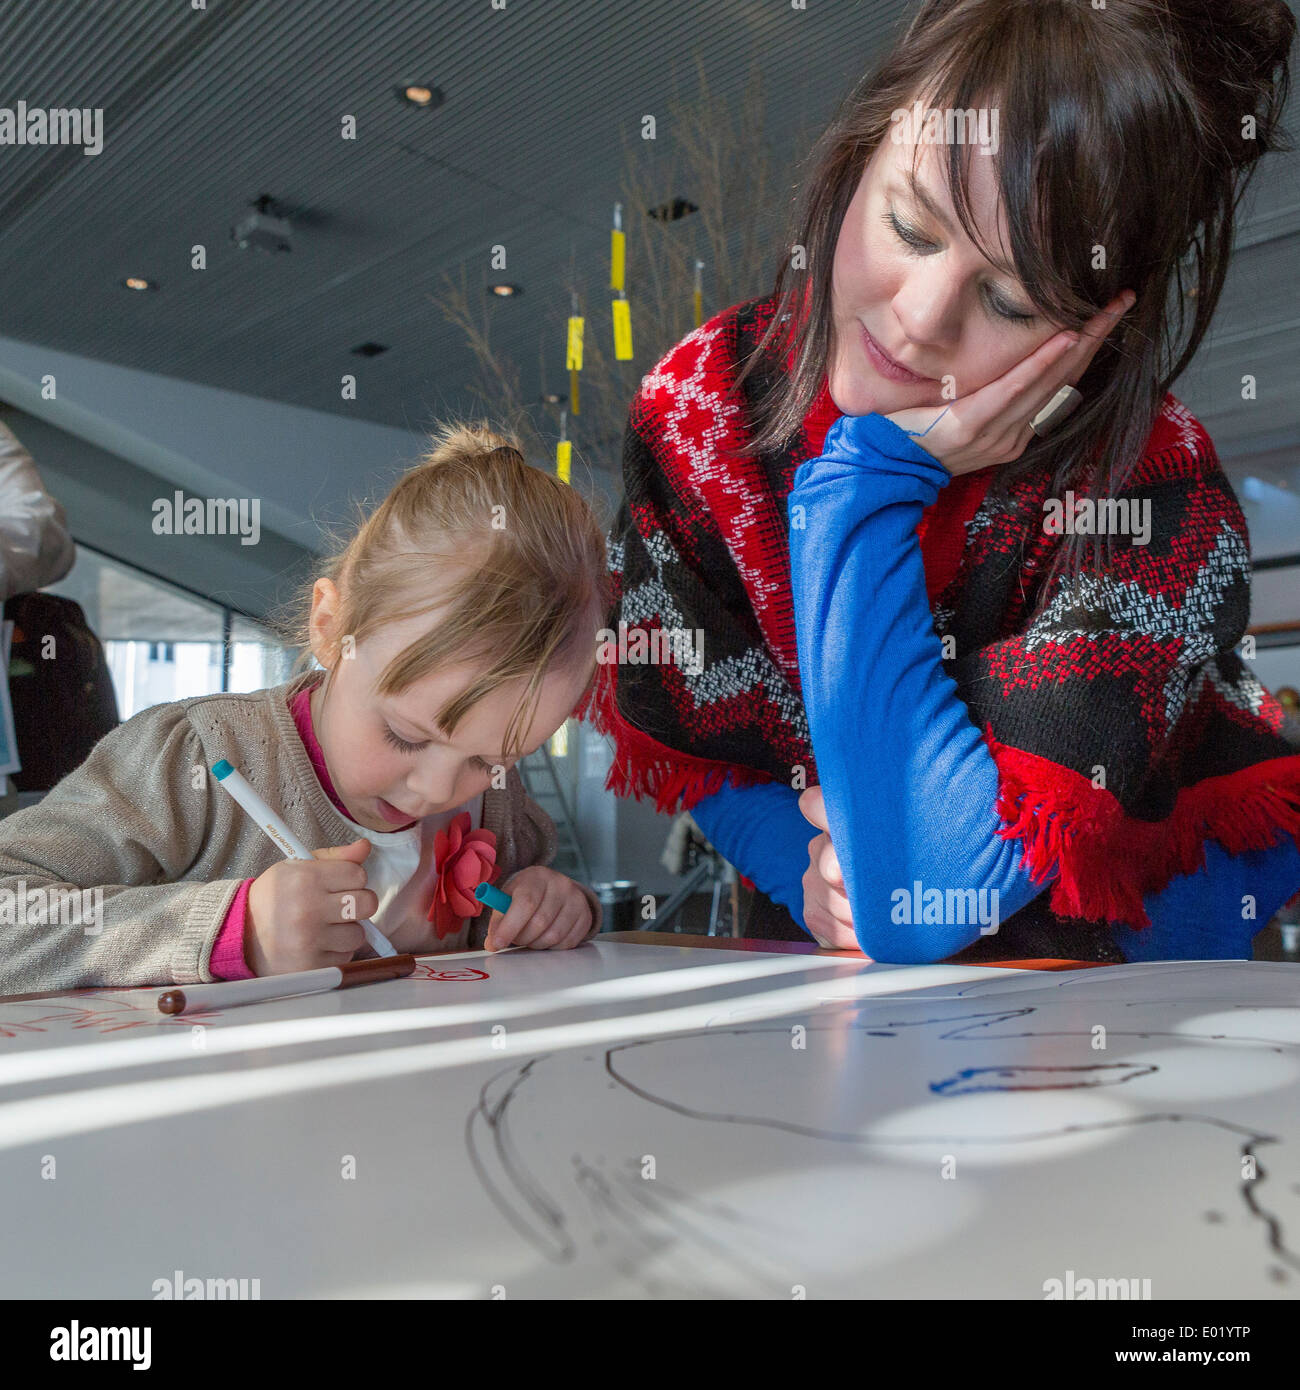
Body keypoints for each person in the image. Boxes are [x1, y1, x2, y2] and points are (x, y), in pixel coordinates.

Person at [581, 0, 1300, 963]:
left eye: (1008, 298)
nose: (920, 321)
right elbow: (709, 754)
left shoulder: (1156, 487)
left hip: (1127, 968)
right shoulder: (700, 408)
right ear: (860, 151)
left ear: (1098, 335)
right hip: (837, 978)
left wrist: (869, 486)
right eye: (909, 228)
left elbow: (936, 881)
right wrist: (815, 873)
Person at [0, 423, 609, 993]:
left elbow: (503, 922)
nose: (437, 790)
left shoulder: (498, 804)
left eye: (490, 757)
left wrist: (552, 907)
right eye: (404, 735)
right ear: (328, 625)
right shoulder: (197, 760)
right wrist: (231, 932)